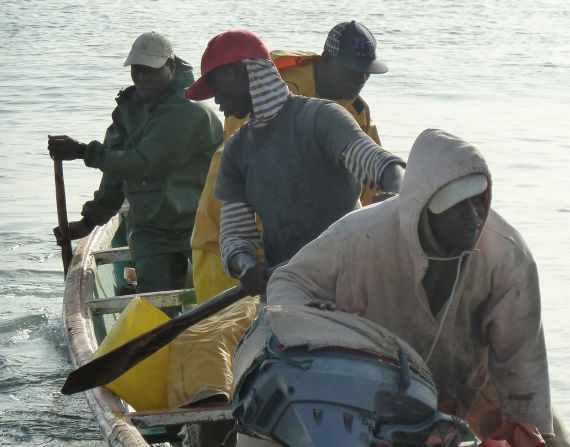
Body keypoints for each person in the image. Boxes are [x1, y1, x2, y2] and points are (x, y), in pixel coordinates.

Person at [264, 128, 568, 445]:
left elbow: (522, 359)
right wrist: (310, 319)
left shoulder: (507, 254)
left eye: (479, 201)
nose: (473, 216)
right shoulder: (357, 238)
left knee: (549, 437)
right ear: (424, 207)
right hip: (370, 388)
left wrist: (533, 435)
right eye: (458, 204)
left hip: (469, 384)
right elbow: (288, 281)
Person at [185, 28, 405, 298]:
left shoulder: (322, 117)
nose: (216, 100)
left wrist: (404, 190)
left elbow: (375, 162)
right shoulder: (236, 151)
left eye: (216, 86)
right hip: (291, 283)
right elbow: (234, 235)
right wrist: (245, 266)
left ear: (243, 73)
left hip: (351, 272)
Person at [48, 31, 223, 299]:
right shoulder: (128, 109)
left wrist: (84, 152)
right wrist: (90, 220)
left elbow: (144, 165)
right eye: (136, 69)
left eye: (149, 70)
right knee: (155, 308)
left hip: (201, 224)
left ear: (171, 66)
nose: (141, 77)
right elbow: (116, 172)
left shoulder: (189, 111)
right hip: (150, 228)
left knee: (220, 303)